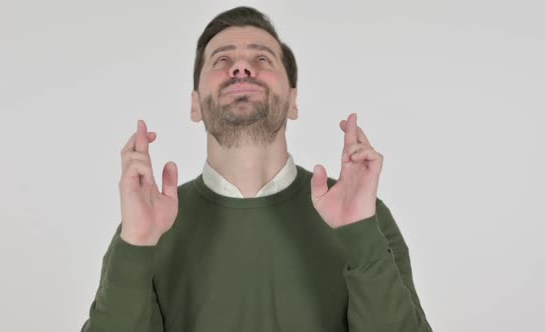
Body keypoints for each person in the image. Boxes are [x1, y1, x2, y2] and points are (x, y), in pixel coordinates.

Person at [81, 6, 433, 332]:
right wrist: (137, 247)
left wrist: (360, 234)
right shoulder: (147, 226)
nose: (241, 68)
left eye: (261, 58)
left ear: (294, 101)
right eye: (222, 60)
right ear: (194, 105)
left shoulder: (364, 216)